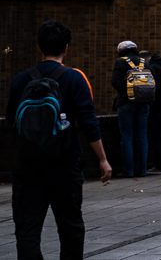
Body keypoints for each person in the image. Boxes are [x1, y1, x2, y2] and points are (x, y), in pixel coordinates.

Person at [5, 20, 113, 258]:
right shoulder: (75, 79)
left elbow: (12, 119)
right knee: (70, 226)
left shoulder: (21, 80)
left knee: (27, 229)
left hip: (27, 167)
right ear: (66, 47)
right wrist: (103, 159)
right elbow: (89, 122)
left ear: (38, 47)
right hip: (64, 164)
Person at [111, 41, 151, 177]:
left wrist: (128, 93)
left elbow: (114, 81)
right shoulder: (144, 62)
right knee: (142, 136)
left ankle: (128, 170)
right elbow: (154, 80)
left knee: (127, 137)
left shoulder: (120, 62)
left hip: (126, 104)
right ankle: (142, 170)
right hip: (144, 103)